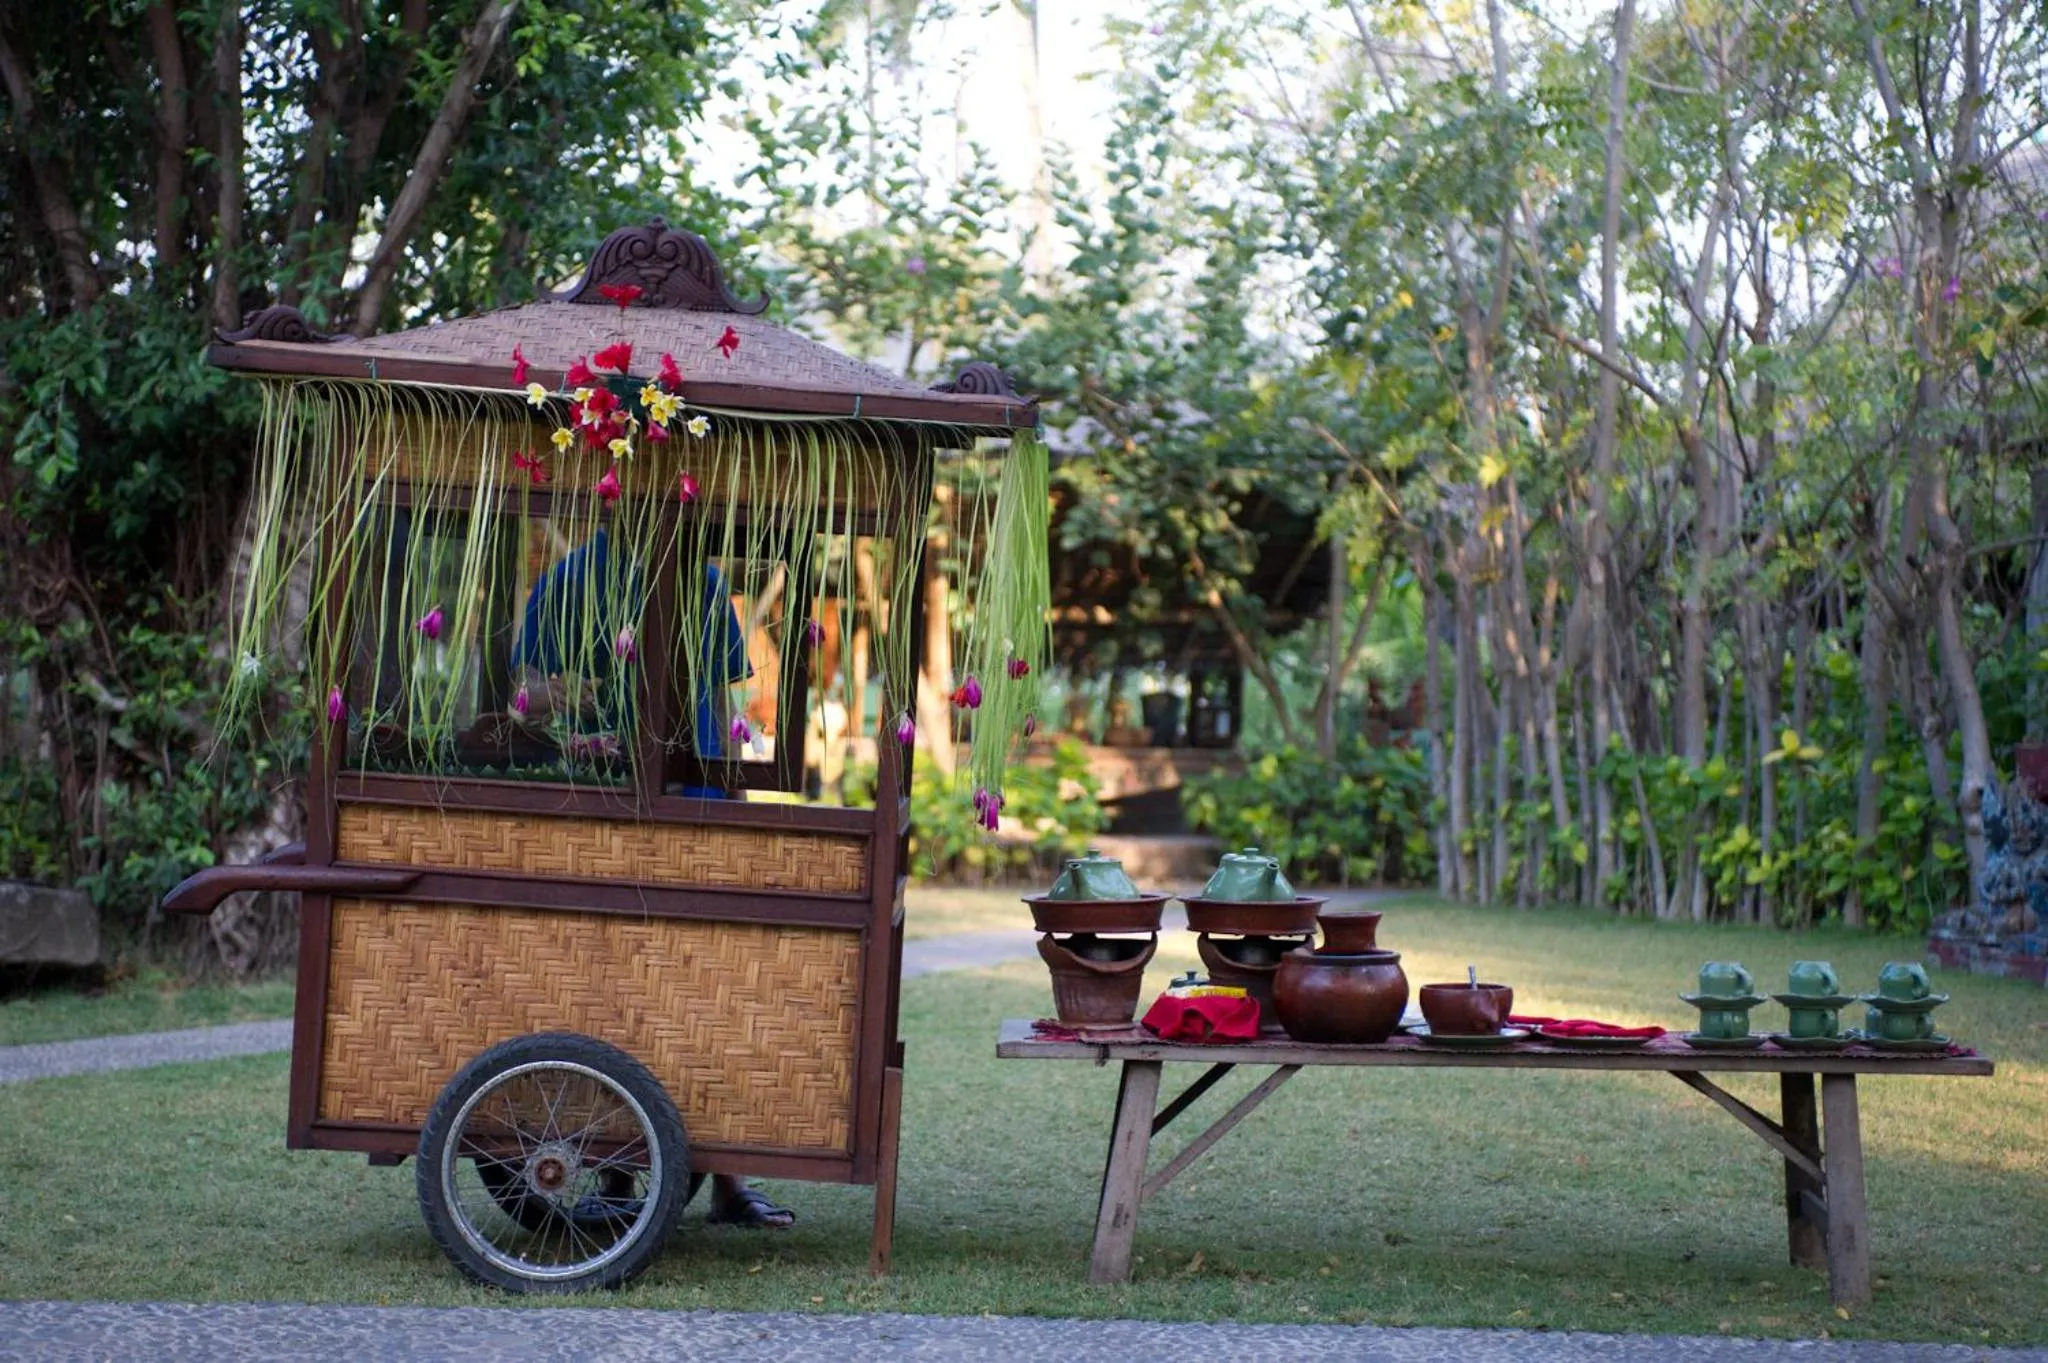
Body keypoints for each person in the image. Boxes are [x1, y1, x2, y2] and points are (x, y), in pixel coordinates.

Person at [511, 527, 796, 1230]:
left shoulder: (703, 582)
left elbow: (723, 711)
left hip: (697, 813)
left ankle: (729, 1181)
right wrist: (576, 699)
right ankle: (617, 1175)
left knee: (706, 997)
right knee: (621, 999)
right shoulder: (571, 580)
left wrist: (736, 804)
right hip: (607, 816)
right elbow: (525, 697)